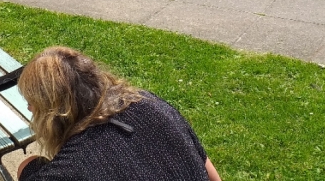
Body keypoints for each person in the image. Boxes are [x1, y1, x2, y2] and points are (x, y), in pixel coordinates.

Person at [16, 46, 222, 181]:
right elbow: (207, 168)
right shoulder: (148, 102)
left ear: (55, 112)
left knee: (27, 165)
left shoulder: (70, 167)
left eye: (32, 103)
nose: (29, 109)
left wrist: (28, 168)